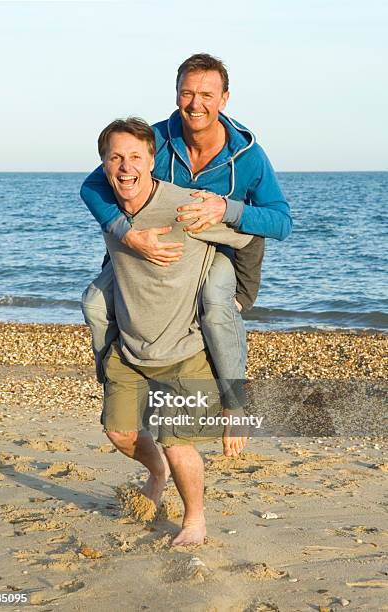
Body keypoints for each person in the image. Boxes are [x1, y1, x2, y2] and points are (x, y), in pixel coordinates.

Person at [80, 53, 292, 409]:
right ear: (176, 94)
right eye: (187, 93)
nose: (196, 104)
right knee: (95, 303)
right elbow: (92, 185)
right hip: (146, 248)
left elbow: (281, 222)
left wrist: (228, 208)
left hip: (214, 252)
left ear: (224, 98)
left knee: (213, 301)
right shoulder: (155, 140)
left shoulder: (248, 155)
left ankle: (234, 399)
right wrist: (126, 233)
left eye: (207, 95)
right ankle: (115, 376)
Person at [93, 117, 255, 545]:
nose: (125, 167)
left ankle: (194, 521)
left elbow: (254, 233)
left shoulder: (185, 207)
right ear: (104, 165)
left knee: (176, 441)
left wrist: (237, 285)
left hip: (183, 351)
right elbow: (86, 189)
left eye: (134, 157)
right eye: (115, 158)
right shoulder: (108, 207)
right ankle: (156, 474)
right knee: (120, 432)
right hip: (130, 349)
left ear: (152, 160)